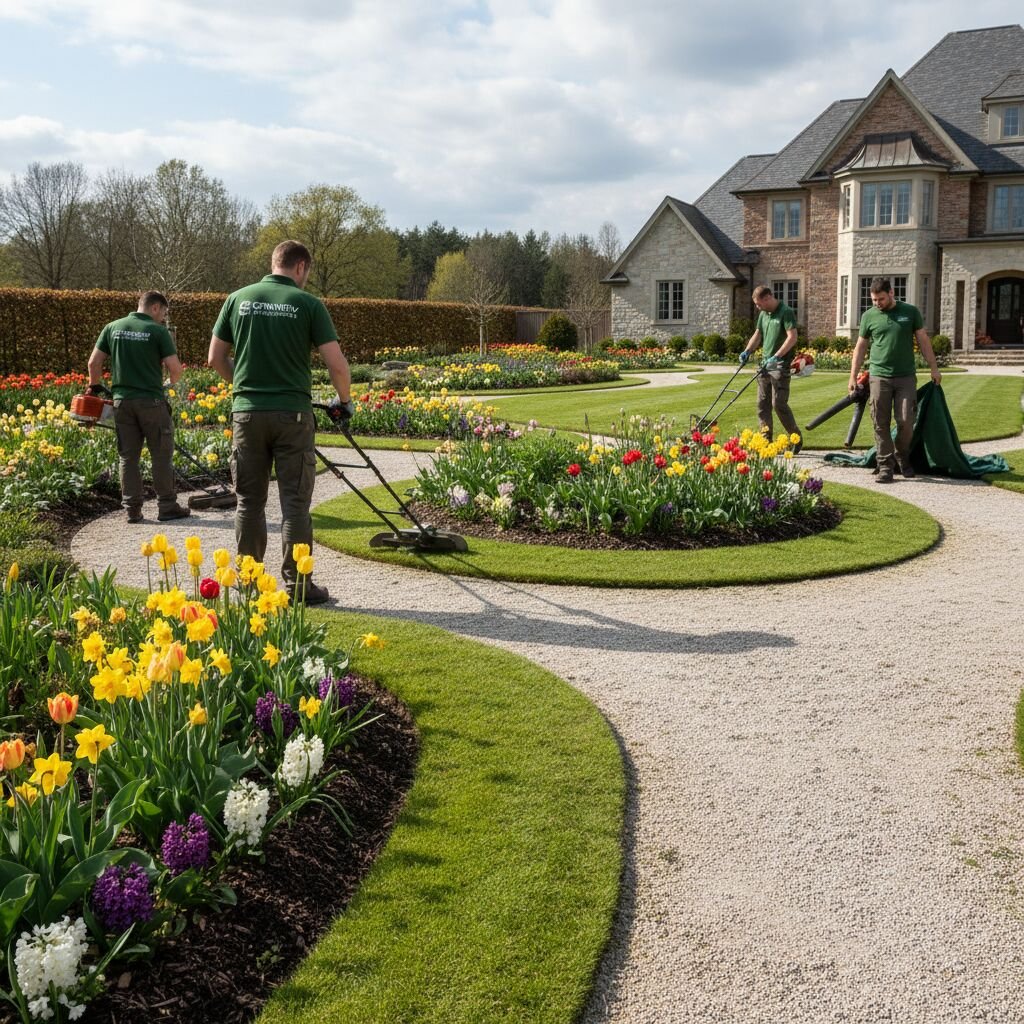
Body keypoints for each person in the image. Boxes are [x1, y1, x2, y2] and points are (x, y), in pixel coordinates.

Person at [207, 240, 354, 604]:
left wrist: (245, 387)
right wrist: (345, 401)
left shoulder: (237, 299)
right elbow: (337, 365)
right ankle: (300, 586)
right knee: (294, 504)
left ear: (274, 263)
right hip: (293, 415)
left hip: (247, 413)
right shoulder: (308, 305)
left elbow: (215, 358)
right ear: (301, 267)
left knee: (248, 502)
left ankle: (250, 582)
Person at [87, 291, 189, 524]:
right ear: (154, 307)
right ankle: (167, 506)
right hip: (151, 402)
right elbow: (176, 369)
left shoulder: (112, 327)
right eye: (164, 312)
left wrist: (95, 387)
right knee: (161, 455)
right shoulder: (157, 331)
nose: (164, 318)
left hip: (122, 402)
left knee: (128, 457)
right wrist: (167, 384)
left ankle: (132, 510)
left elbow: (94, 363)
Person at [849, 277, 942, 484]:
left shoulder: (910, 312)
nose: (877, 304)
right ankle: (885, 466)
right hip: (879, 376)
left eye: (880, 299)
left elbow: (923, 341)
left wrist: (934, 368)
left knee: (906, 421)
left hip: (905, 377)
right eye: (873, 300)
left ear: (891, 293)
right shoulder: (869, 316)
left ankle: (902, 454)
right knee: (880, 423)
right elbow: (861, 347)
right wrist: (852, 375)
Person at [739, 284, 802, 449]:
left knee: (778, 404)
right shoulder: (763, 315)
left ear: (768, 298)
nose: (758, 307)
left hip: (779, 364)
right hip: (764, 364)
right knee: (762, 404)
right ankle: (766, 440)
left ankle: (795, 438)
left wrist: (777, 356)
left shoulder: (785, 312)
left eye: (759, 304)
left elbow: (792, 337)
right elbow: (757, 335)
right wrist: (747, 351)